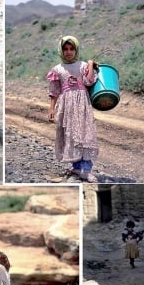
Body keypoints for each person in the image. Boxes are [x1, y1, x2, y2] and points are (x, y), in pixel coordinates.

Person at [47, 35, 99, 183]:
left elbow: (89, 82)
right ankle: (76, 167)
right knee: (70, 135)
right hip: (66, 106)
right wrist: (51, 109)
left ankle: (87, 170)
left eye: (71, 49)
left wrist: (90, 65)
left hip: (82, 104)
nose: (68, 52)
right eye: (65, 49)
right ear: (61, 51)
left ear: (76, 50)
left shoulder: (82, 65)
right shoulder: (57, 69)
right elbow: (54, 91)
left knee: (85, 134)